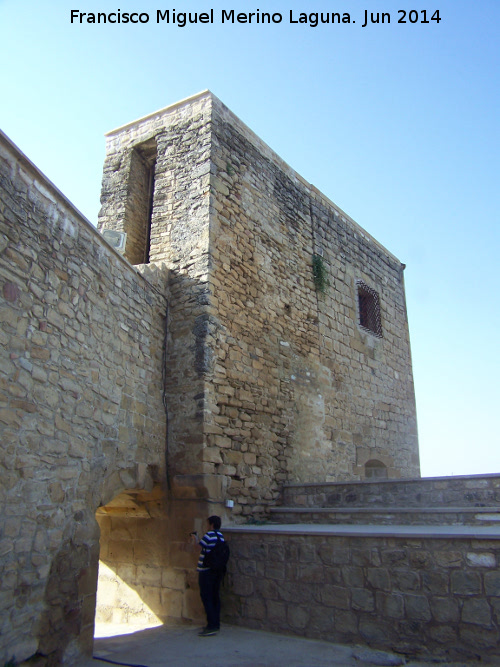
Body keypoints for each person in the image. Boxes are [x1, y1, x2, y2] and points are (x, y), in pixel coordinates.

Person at [192, 515, 225, 637]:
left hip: (206, 571)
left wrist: (195, 538)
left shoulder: (209, 535)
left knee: (206, 597)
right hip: (217, 571)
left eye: (207, 524)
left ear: (211, 524)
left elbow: (198, 548)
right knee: (215, 597)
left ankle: (211, 625)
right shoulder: (220, 536)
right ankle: (215, 623)